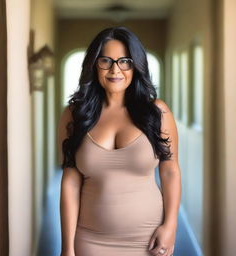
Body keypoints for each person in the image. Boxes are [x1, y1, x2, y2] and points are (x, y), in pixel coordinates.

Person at [58, 26, 181, 256]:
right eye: (106, 60)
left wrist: (171, 225)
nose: (115, 69)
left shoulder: (157, 112)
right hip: (90, 239)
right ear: (95, 64)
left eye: (125, 61)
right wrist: (67, 247)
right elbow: (70, 182)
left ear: (136, 66)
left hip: (149, 239)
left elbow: (170, 171)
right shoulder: (75, 115)